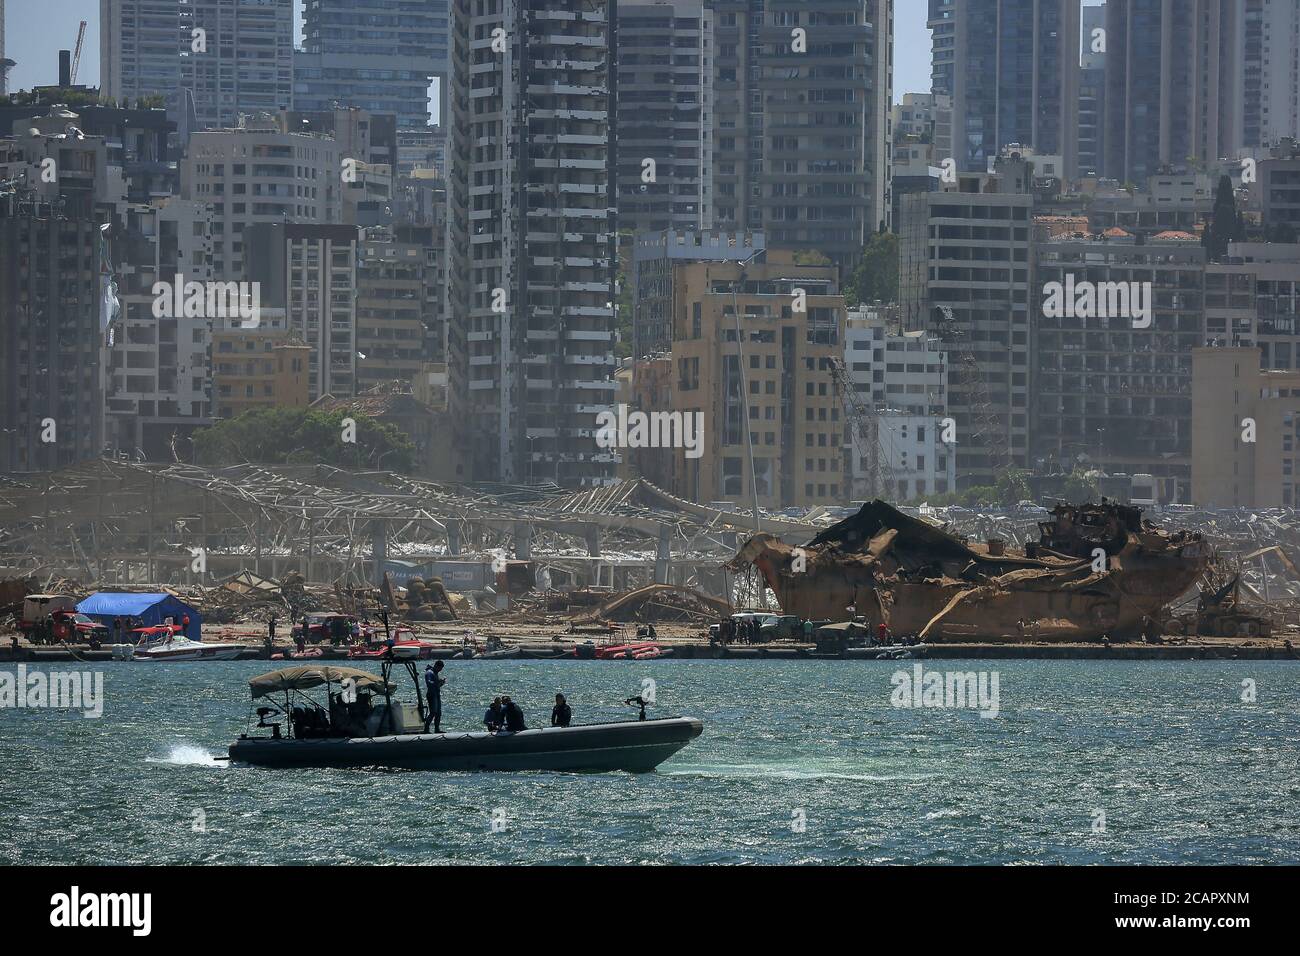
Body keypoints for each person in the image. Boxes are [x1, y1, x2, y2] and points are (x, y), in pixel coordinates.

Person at [423, 661, 446, 733]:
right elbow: (429, 683)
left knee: (438, 713)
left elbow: (437, 685)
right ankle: (426, 729)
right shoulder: (429, 673)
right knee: (433, 712)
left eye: (441, 669)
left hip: (436, 694)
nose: (440, 670)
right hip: (432, 695)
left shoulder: (435, 673)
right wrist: (438, 682)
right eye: (439, 668)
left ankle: (437, 729)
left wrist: (441, 683)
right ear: (436, 666)